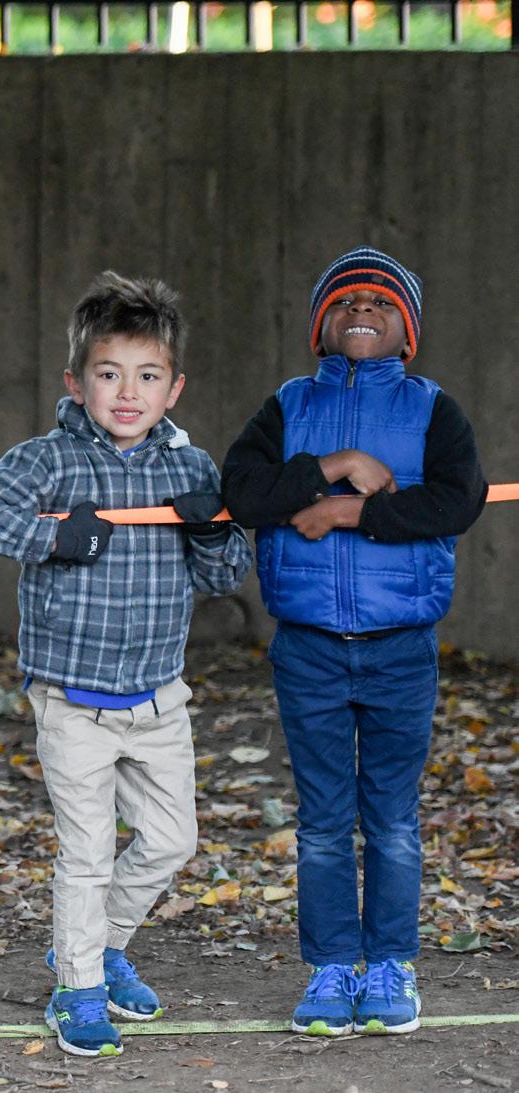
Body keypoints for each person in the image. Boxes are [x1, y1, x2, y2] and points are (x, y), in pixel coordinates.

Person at [0, 274, 251, 1057]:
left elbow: (225, 575)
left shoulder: (191, 468)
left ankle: (100, 945)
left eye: (147, 376)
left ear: (173, 388)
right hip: (72, 698)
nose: (128, 392)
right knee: (84, 852)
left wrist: (212, 530)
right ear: (76, 381)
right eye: (109, 373)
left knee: (172, 840)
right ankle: (77, 987)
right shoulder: (50, 460)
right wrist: (53, 537)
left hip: (157, 699)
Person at [221, 247, 484, 1037]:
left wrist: (349, 511)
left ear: (408, 329)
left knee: (394, 820)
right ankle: (334, 966)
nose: (361, 310)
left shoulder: (433, 409)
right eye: (344, 301)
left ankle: (392, 962)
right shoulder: (288, 406)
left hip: (401, 646)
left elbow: (456, 500)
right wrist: (334, 466)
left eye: (380, 301)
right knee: (324, 821)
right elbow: (242, 491)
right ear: (320, 326)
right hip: (308, 648)